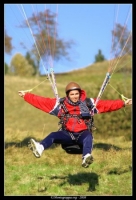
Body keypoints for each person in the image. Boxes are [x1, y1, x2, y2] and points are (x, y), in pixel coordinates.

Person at [18, 82, 132, 168]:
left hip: (82, 134)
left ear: (80, 93)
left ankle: (86, 157)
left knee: (89, 136)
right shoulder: (60, 105)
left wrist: (123, 103)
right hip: (67, 135)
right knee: (53, 135)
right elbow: (41, 102)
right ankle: (40, 147)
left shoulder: (89, 103)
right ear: (68, 95)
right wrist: (26, 96)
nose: (75, 96)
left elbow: (106, 105)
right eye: (72, 94)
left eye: (76, 93)